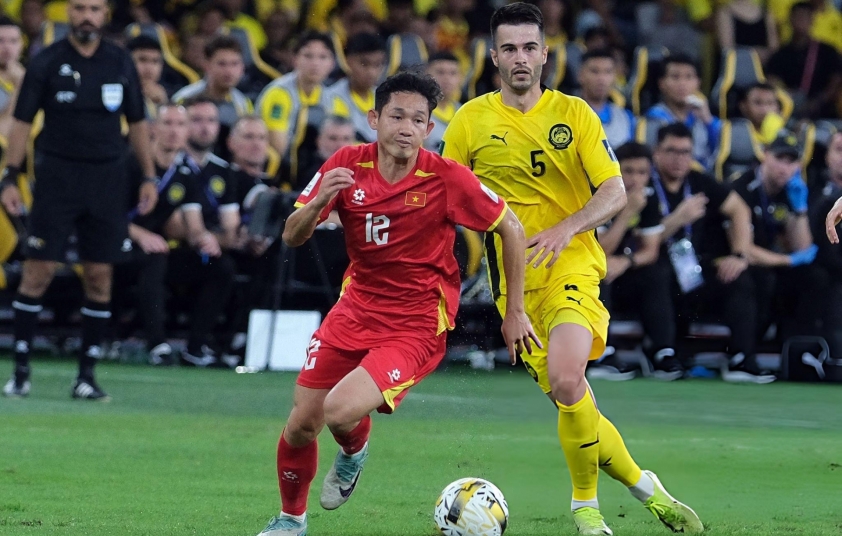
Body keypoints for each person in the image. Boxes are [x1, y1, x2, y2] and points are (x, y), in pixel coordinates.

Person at [441, 4, 703, 534]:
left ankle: (586, 508)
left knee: (566, 379)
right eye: (509, 48)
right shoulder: (469, 120)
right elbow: (445, 198)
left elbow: (615, 191)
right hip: (514, 288)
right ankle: (645, 487)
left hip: (573, 268)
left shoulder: (575, 114)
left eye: (529, 47)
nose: (520, 58)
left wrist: (566, 229)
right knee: (574, 399)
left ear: (545, 54)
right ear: (493, 57)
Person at [255, 71, 538, 536]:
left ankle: (353, 449)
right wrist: (319, 201)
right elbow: (291, 235)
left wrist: (515, 311)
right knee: (302, 423)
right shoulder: (346, 164)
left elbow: (512, 227)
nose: (407, 128)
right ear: (374, 119)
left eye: (418, 120)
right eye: (397, 116)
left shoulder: (446, 177)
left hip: (417, 322)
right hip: (356, 308)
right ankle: (291, 520)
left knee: (340, 410)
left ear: (429, 128)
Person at [0, 0, 157, 400]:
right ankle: (20, 372)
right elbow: (21, 122)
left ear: (106, 15)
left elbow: (138, 122)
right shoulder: (47, 61)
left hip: (107, 181)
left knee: (100, 275)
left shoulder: (120, 61)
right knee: (38, 270)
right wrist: (10, 176)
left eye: (95, 9)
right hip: (57, 179)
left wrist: (149, 175)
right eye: (80, 8)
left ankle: (86, 376)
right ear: (68, 13)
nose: (87, 16)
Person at [650, 123, 769, 383]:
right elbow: (643, 243)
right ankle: (663, 356)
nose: (679, 159)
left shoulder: (699, 182)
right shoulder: (646, 183)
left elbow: (740, 209)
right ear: (657, 152)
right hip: (655, 270)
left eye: (685, 152)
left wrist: (739, 255)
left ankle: (741, 358)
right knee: (657, 274)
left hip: (695, 269)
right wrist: (678, 219)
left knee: (739, 278)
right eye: (672, 151)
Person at [121, 103, 219, 366]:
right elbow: (107, 215)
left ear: (187, 131)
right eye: (167, 123)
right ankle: (157, 345)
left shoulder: (186, 172)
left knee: (220, 267)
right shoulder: (130, 163)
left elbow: (193, 223)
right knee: (155, 258)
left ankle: (195, 347)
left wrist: (204, 238)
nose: (174, 131)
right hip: (120, 246)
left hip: (158, 248)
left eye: (180, 124)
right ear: (153, 129)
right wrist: (141, 235)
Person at [731, 132, 823, 358]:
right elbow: (744, 249)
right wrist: (787, 260)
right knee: (763, 280)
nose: (785, 167)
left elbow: (803, 248)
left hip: (770, 261)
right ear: (765, 155)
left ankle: (794, 352)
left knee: (813, 276)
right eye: (779, 158)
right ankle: (745, 353)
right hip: (738, 260)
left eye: (791, 161)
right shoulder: (743, 187)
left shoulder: (790, 190)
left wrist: (800, 209)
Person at [165, 96, 239, 367]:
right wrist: (203, 236)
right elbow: (172, 227)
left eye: (211, 120)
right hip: (167, 249)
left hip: (202, 251)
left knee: (227, 267)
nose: (205, 127)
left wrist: (210, 238)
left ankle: (202, 346)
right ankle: (159, 345)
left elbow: (230, 231)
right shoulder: (170, 164)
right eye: (196, 120)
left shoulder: (223, 170)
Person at [591, 142, 667, 381]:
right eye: (629, 171)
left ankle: (662, 352)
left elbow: (650, 251)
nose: (635, 179)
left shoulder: (648, 197)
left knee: (656, 273)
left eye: (642, 172)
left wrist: (626, 262)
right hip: (591, 268)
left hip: (623, 269)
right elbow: (600, 250)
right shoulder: (600, 194)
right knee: (599, 272)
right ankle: (601, 355)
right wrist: (627, 213)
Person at [256, 31, 346, 183]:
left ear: (332, 63)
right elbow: (279, 147)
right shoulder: (279, 94)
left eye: (323, 57)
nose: (315, 63)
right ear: (295, 59)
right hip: (281, 174)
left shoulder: (333, 101)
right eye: (308, 56)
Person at [172, 34, 252, 155]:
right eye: (222, 64)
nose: (229, 71)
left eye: (234, 64)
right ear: (207, 65)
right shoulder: (183, 99)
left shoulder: (242, 103)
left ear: (242, 68)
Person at [765, 1, 842, 119]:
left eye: (805, 17)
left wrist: (818, 101)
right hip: (790, 111)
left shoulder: (828, 51)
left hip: (825, 112)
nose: (801, 21)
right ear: (790, 20)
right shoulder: (780, 54)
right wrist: (786, 95)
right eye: (798, 16)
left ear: (812, 21)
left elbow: (836, 81)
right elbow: (772, 80)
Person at [646, 54, 721, 168]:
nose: (682, 83)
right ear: (661, 83)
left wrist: (708, 120)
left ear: (698, 83)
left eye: (689, 77)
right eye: (675, 77)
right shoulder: (653, 119)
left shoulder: (706, 119)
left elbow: (721, 152)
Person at [329, 32, 387, 143]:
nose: (371, 72)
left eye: (377, 65)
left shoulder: (384, 99)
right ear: (347, 60)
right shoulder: (332, 97)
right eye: (364, 64)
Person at [578, 48, 634, 150]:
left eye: (608, 72)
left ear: (615, 77)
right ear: (580, 75)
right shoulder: (568, 113)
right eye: (594, 71)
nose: (601, 79)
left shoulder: (626, 118)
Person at [295, 115, 356, 190]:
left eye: (346, 139)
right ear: (319, 140)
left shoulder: (362, 170)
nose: (340, 145)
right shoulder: (303, 171)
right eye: (333, 138)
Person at [424, 51, 463, 152]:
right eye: (440, 72)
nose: (447, 79)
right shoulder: (416, 113)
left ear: (460, 78)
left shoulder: (465, 113)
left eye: (453, 73)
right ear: (426, 75)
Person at [0, 17, 24, 140]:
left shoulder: (34, 76)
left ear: (22, 45)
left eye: (13, 41)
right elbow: (3, 132)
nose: (7, 47)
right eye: (0, 41)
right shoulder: (22, 80)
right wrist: (20, 86)